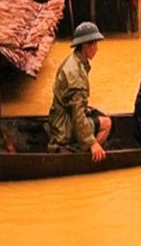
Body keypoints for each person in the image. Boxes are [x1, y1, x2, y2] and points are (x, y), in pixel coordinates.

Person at [46, 22, 112, 162]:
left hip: (59, 119)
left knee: (99, 114)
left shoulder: (74, 61)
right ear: (85, 46)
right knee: (107, 123)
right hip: (64, 127)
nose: (97, 49)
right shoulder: (75, 73)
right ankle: (87, 155)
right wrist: (92, 143)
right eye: (94, 44)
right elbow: (78, 114)